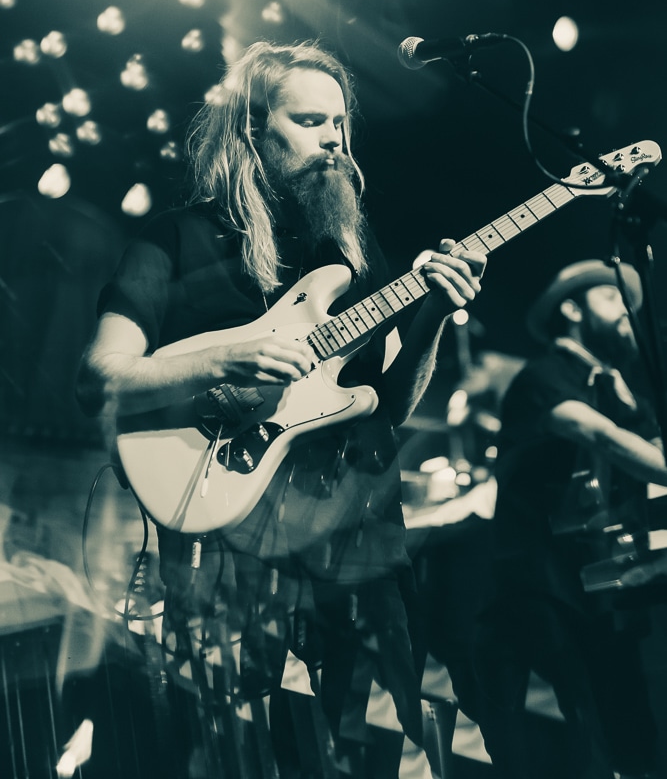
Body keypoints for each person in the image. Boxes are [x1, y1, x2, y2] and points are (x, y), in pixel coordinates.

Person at [76, 40, 486, 779]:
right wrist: (222, 358)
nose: (335, 138)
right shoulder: (174, 237)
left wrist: (428, 318)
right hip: (228, 545)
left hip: (358, 537)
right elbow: (100, 376)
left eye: (340, 122)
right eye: (308, 120)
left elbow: (387, 404)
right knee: (235, 753)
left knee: (375, 751)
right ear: (251, 132)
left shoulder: (356, 254)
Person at [474, 258, 667, 779]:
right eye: (613, 299)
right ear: (572, 309)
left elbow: (648, 448)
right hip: (544, 590)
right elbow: (600, 436)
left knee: (633, 730)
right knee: (578, 734)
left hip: (606, 587)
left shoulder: (619, 391)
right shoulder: (544, 376)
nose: (629, 312)